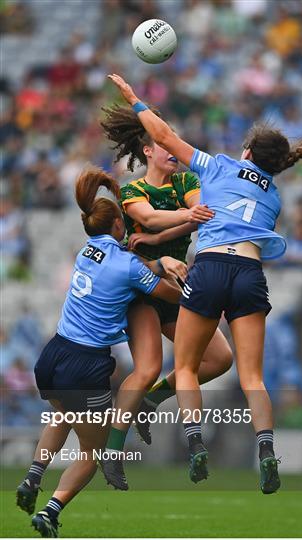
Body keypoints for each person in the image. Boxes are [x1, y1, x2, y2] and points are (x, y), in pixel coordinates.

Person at [108, 73, 302, 494]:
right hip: (250, 274)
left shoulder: (217, 166)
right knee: (252, 375)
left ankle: (195, 444)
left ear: (246, 151)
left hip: (211, 267)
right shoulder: (273, 195)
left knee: (185, 366)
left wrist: (134, 99)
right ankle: (267, 452)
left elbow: (164, 133)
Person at [16, 165, 183, 537]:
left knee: (60, 417)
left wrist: (154, 264)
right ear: (119, 228)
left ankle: (32, 477)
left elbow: (126, 269)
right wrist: (184, 278)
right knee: (92, 451)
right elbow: (165, 293)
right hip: (85, 364)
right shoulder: (125, 264)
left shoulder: (86, 250)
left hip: (53, 354)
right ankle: (50, 511)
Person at [99, 105, 233, 490]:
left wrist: (162, 237)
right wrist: (172, 230)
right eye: (163, 142)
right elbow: (156, 219)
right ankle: (113, 452)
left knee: (219, 359)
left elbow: (196, 211)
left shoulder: (186, 181)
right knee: (146, 369)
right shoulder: (132, 191)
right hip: (141, 288)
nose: (172, 149)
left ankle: (151, 401)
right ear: (147, 151)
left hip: (174, 286)